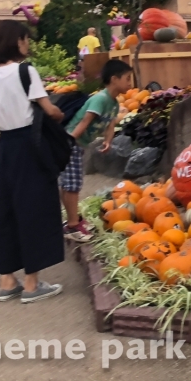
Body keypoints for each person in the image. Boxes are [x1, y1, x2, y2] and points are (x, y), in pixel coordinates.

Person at [0, 20, 66, 304]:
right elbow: (48, 108)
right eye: (26, 39)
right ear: (17, 41)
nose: (27, 44)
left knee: (3, 210)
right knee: (35, 209)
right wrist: (58, 115)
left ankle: (7, 281)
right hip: (30, 147)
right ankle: (31, 284)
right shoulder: (25, 71)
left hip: (3, 149)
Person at [60, 59, 132, 243]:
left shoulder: (114, 104)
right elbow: (84, 120)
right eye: (127, 78)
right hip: (72, 142)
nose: (130, 83)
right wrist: (68, 141)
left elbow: (110, 124)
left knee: (70, 184)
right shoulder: (100, 99)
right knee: (72, 185)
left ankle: (72, 220)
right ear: (114, 79)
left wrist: (108, 141)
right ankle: (73, 225)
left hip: (78, 144)